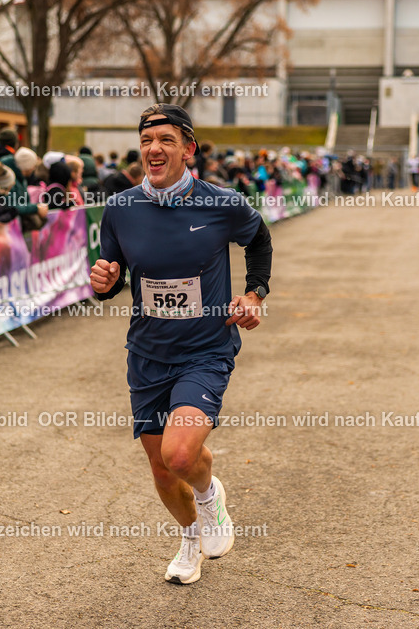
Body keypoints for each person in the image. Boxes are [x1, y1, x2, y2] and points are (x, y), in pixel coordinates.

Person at [90, 103, 273, 585]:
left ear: (188, 149)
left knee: (179, 454)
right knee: (163, 469)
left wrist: (254, 293)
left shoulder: (221, 203)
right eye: (147, 141)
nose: (154, 149)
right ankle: (190, 538)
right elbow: (111, 273)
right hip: (148, 353)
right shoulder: (121, 208)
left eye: (166, 140)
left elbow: (259, 240)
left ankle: (211, 499)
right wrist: (103, 282)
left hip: (205, 350)